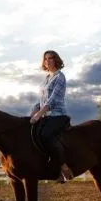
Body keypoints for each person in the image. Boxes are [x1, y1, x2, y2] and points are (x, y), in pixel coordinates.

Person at [29, 50, 74, 182]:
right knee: (33, 134)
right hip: (45, 115)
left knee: (46, 134)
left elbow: (52, 99)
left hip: (58, 114)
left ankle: (63, 167)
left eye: (51, 58)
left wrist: (39, 114)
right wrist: (33, 111)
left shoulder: (60, 77)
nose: (47, 61)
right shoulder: (46, 79)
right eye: (45, 59)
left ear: (56, 60)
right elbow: (42, 100)